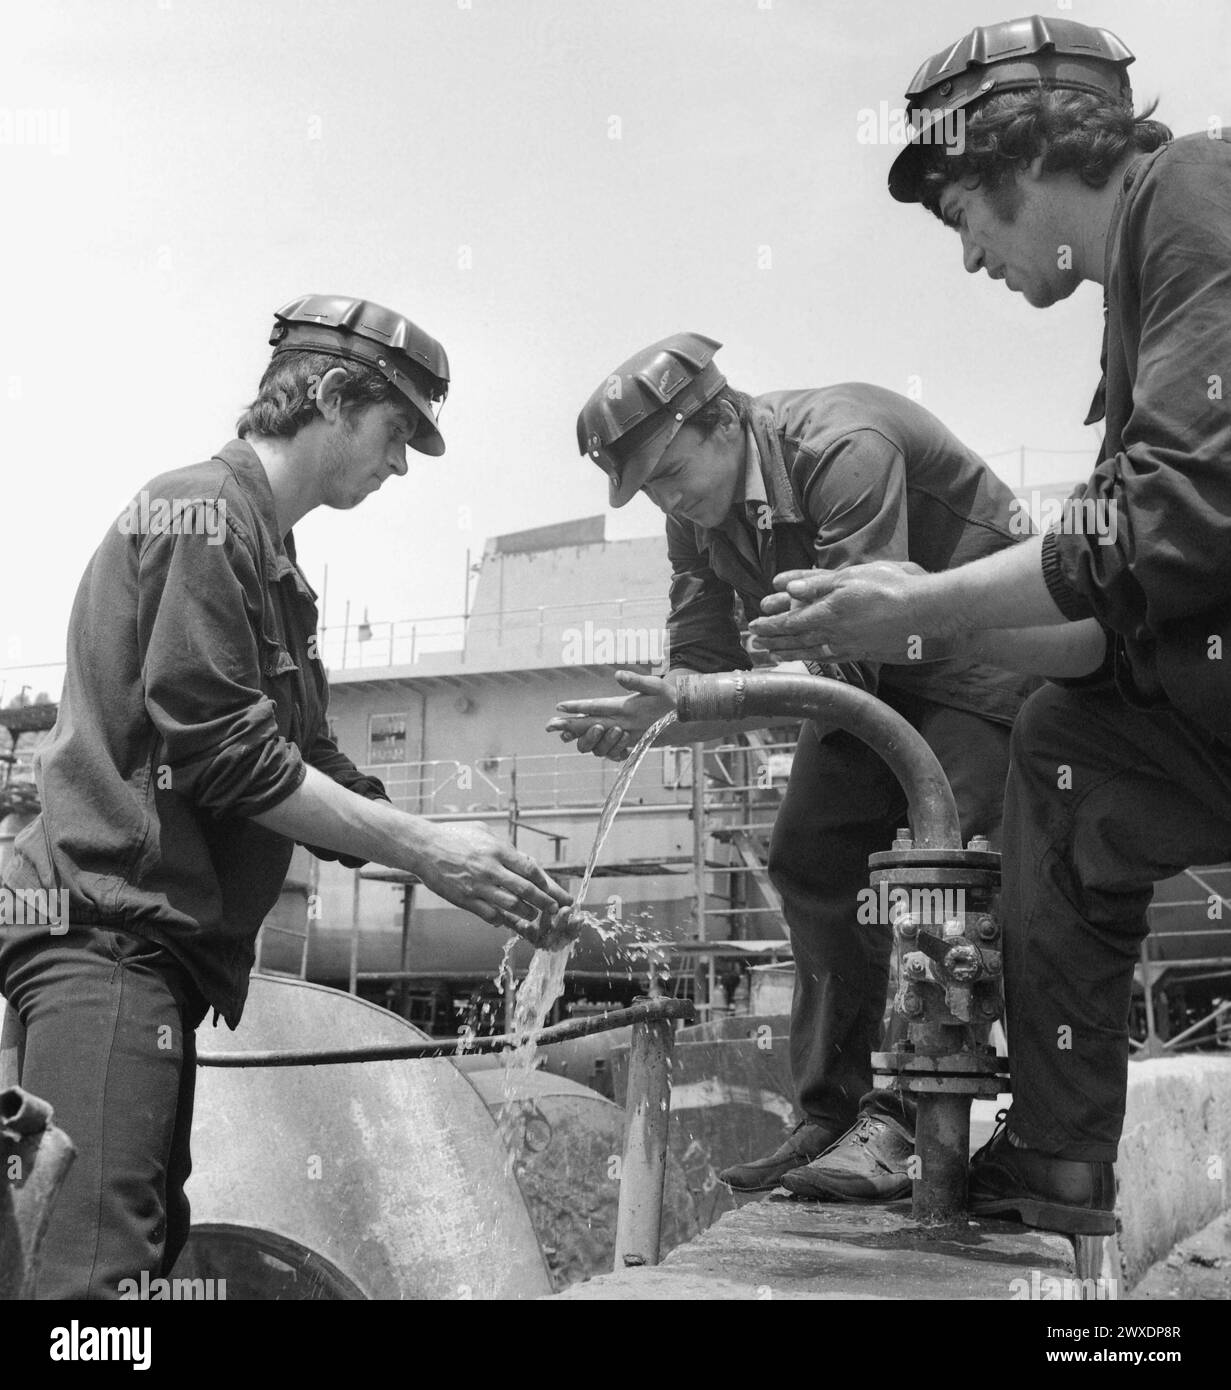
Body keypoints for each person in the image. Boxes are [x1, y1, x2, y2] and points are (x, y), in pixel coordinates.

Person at [751, 13, 1230, 1237]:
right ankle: (1060, 1164)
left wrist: (919, 596)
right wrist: (909, 627)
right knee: (1071, 742)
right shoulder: (1144, 291)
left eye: (961, 211)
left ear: (1023, 153)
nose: (967, 257)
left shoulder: (1199, 190)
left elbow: (1163, 521)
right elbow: (1099, 632)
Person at [0, 294, 572, 1298]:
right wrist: (427, 853)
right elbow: (227, 756)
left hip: (154, 955)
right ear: (338, 398)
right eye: (398, 434)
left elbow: (307, 755)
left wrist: (449, 841)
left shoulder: (274, 565)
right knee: (94, 1278)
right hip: (103, 938)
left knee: (139, 1248)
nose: (400, 466)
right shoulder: (203, 515)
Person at [549, 331, 1036, 1199]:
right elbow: (700, 668)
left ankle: (907, 1123)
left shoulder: (842, 446)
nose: (667, 499)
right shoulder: (692, 522)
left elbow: (864, 633)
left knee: (932, 860)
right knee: (808, 857)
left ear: (723, 420)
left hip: (975, 656)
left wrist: (699, 699)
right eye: (649, 488)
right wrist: (659, 713)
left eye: (669, 474)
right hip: (859, 671)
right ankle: (833, 1118)